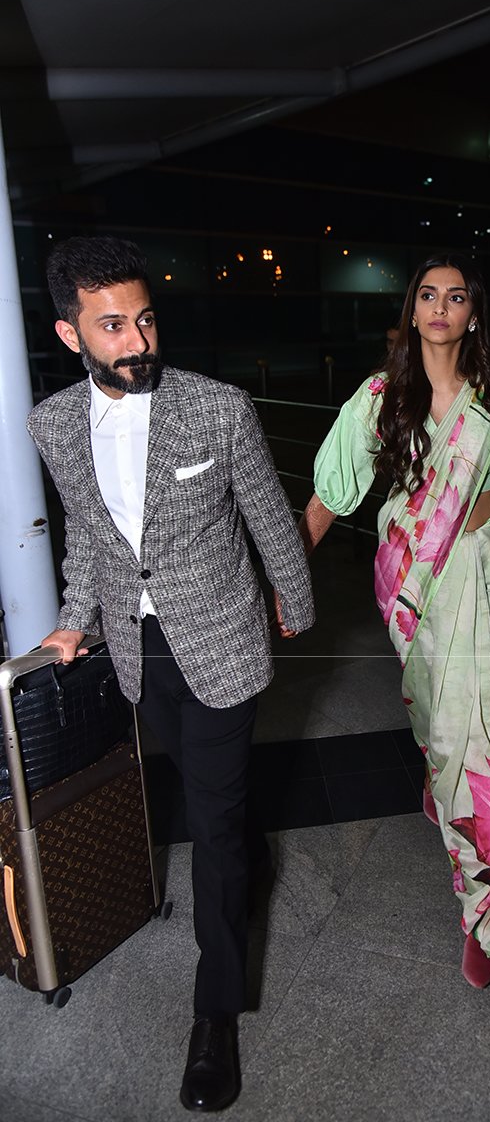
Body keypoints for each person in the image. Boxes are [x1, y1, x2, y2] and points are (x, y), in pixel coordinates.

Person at [27, 236, 314, 1113]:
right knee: (199, 790)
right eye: (112, 325)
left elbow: (269, 514)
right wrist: (76, 619)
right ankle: (249, 857)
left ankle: (215, 1014)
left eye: (144, 318)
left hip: (223, 638)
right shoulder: (52, 424)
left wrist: (293, 602)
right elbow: (90, 537)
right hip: (137, 652)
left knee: (213, 830)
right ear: (71, 334)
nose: (136, 339)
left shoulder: (216, 408)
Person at [296, 253, 490, 989]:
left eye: (455, 297)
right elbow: (331, 495)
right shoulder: (379, 398)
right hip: (410, 582)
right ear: (412, 309)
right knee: (436, 715)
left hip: (484, 582)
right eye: (427, 294)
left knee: (486, 746)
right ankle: (437, 767)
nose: (440, 307)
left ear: (473, 314)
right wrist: (284, 577)